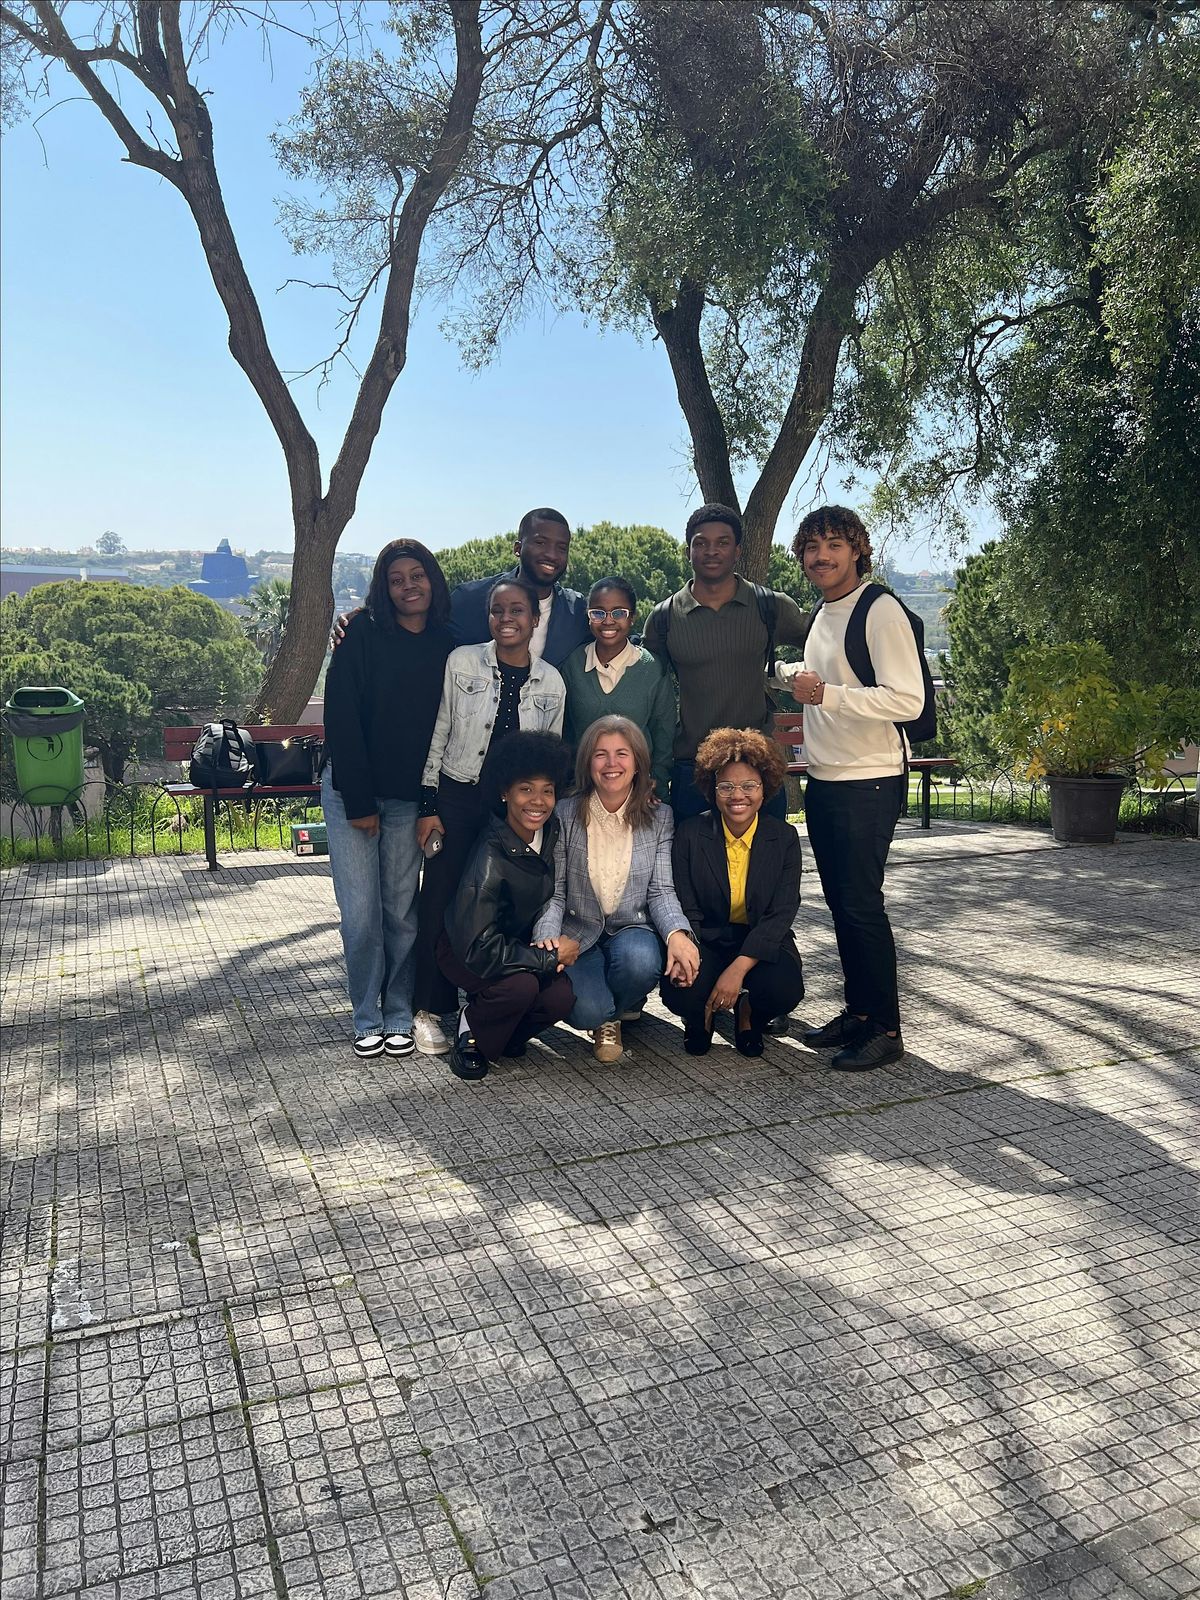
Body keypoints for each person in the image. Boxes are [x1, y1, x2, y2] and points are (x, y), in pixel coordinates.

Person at [776, 505, 925, 1071]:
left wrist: (826, 696)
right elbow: (825, 676)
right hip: (826, 778)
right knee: (842, 903)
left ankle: (886, 1028)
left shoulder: (879, 609)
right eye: (812, 548)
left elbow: (906, 699)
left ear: (858, 550)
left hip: (870, 779)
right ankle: (860, 1012)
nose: (822, 557)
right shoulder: (823, 611)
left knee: (861, 905)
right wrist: (790, 677)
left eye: (834, 545)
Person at [410, 578, 567, 1054]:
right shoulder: (462, 662)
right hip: (459, 794)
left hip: (513, 807)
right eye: (498, 610)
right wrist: (428, 805)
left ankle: (486, 998)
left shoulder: (552, 682)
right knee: (441, 897)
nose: (507, 619)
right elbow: (439, 731)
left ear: (534, 620)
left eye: (518, 610)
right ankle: (428, 1008)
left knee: (501, 903)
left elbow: (550, 759)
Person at [321, 539, 454, 1059]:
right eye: (396, 579)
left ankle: (398, 1010)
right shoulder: (361, 635)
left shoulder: (449, 644)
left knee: (401, 912)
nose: (408, 587)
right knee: (360, 915)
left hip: (408, 799)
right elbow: (341, 718)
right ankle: (366, 1016)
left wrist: (429, 803)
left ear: (432, 580)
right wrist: (359, 802)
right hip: (352, 793)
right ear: (383, 588)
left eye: (417, 575)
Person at [532, 716, 700, 1062]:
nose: (612, 764)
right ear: (587, 763)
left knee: (641, 962)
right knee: (586, 1011)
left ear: (637, 762)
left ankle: (616, 1014)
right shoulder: (564, 813)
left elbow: (661, 890)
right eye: (601, 754)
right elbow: (555, 890)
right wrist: (547, 940)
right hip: (578, 931)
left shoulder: (660, 817)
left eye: (622, 754)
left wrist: (678, 934)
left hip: (631, 929)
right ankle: (605, 1014)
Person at [643, 503, 811, 823]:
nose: (712, 551)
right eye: (701, 542)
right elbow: (646, 693)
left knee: (766, 855)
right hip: (692, 768)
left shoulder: (770, 607)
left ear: (737, 551)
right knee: (694, 856)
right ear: (688, 551)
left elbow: (826, 639)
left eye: (722, 542)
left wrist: (796, 677)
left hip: (759, 767)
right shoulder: (664, 618)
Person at [437, 732, 577, 1079]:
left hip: (513, 946)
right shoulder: (489, 855)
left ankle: (502, 1033)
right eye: (526, 789)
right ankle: (471, 1031)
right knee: (520, 987)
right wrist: (548, 958)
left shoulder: (552, 831)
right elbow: (479, 947)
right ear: (505, 793)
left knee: (560, 997)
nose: (538, 801)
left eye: (547, 790)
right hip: (467, 949)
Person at [661, 727, 805, 1058]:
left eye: (748, 786)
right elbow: (686, 905)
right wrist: (690, 952)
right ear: (712, 789)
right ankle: (701, 1013)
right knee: (680, 988)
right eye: (726, 786)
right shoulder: (690, 834)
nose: (737, 795)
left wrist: (737, 971)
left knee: (784, 989)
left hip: (760, 939)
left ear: (765, 788)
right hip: (707, 937)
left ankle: (747, 1011)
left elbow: (781, 912)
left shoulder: (783, 838)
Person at [558, 578, 676, 798]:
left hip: (637, 794)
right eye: (598, 613)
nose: (608, 621)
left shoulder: (652, 668)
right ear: (589, 617)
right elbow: (565, 732)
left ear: (633, 617)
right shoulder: (573, 664)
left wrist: (657, 788)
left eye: (619, 613)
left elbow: (664, 736)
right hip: (582, 792)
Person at [449, 507, 592, 666]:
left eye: (562, 548)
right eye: (540, 543)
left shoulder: (578, 612)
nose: (551, 555)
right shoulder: (468, 599)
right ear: (518, 548)